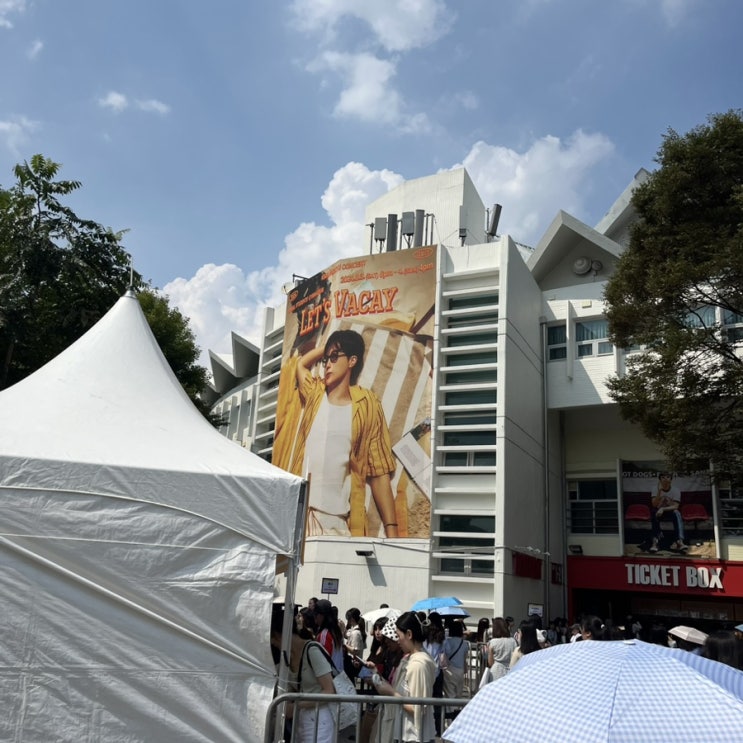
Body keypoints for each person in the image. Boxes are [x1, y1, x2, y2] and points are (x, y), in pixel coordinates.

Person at [290, 329, 399, 538]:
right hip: (298, 514)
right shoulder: (315, 394)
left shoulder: (367, 404)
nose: (327, 365)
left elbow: (379, 472)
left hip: (335, 519)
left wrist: (391, 529)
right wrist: (329, 347)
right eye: (325, 360)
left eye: (334, 358)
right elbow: (301, 364)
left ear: (352, 361)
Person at [270, 607, 337, 743]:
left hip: (320, 719)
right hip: (301, 719)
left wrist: (296, 705)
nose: (274, 646)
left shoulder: (312, 650)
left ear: (278, 635)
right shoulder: (287, 657)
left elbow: (329, 691)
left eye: (274, 641)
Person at [369, 611, 437, 743]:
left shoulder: (418, 664)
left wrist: (391, 692)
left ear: (409, 634)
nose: (397, 640)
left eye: (398, 635)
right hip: (408, 734)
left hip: (414, 736)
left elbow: (417, 709)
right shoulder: (413, 658)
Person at [649, 472, 688, 552]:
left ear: (671, 480)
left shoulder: (676, 490)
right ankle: (655, 541)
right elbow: (654, 505)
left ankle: (679, 541)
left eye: (668, 477)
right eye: (663, 477)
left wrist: (663, 509)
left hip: (670, 511)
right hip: (658, 512)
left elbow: (675, 506)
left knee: (677, 513)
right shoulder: (655, 489)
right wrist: (659, 491)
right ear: (660, 480)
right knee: (654, 513)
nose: (665, 479)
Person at [441, 621, 469, 723]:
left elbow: (445, 655)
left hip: (450, 670)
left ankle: (450, 720)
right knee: (458, 695)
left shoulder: (447, 642)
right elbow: (464, 658)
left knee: (450, 695)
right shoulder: (464, 643)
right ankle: (457, 718)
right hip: (460, 671)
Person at [314, 599, 345, 672]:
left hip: (329, 675)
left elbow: (323, 660)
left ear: (321, 615)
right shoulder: (336, 631)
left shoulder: (324, 635)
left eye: (316, 615)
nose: (315, 618)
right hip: (339, 673)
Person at [486, 617, 517, 682]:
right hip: (510, 670)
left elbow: (490, 663)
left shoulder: (493, 642)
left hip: (496, 671)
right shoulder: (513, 641)